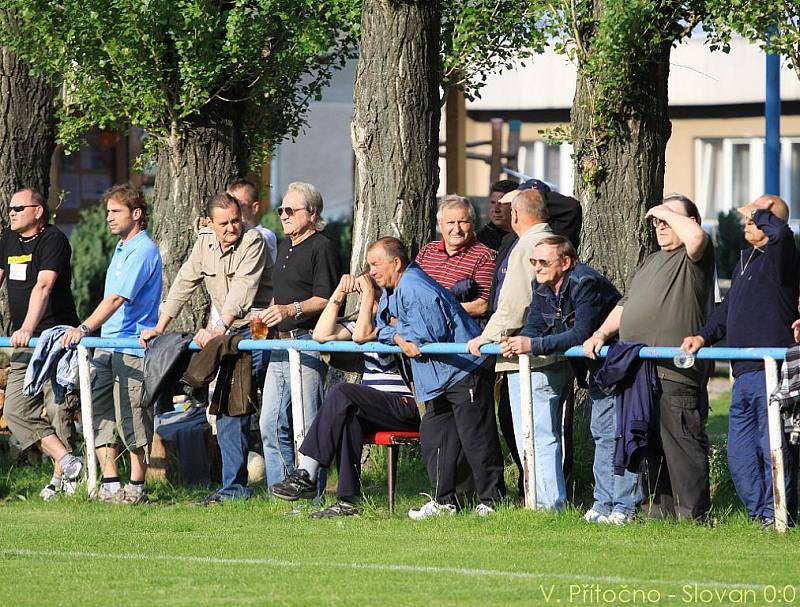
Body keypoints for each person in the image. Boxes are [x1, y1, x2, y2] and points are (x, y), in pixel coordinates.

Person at [584, 194, 715, 521]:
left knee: (682, 445)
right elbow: (625, 306)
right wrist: (601, 333)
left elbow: (697, 237)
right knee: (648, 445)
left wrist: (660, 208)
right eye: (657, 221)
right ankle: (659, 514)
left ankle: (693, 517)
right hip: (639, 372)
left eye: (669, 219)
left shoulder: (693, 256)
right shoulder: (650, 261)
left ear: (690, 222)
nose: (660, 224)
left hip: (675, 371)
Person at [140, 192, 271, 503]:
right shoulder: (205, 243)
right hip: (226, 337)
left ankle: (254, 485)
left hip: (256, 332)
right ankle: (233, 487)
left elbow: (242, 292)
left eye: (236, 220)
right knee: (226, 408)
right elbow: (184, 282)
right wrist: (159, 327)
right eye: (224, 223)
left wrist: (216, 329)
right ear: (210, 224)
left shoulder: (253, 242)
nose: (231, 227)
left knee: (248, 410)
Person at [501, 236, 640, 522]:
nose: (537, 268)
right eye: (533, 262)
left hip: (620, 364)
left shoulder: (584, 283)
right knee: (601, 433)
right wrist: (518, 340)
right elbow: (535, 326)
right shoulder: (540, 286)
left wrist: (533, 346)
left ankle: (623, 507)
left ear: (565, 263)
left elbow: (581, 334)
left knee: (618, 434)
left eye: (543, 262)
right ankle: (603, 504)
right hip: (596, 369)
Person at [682, 195, 800, 527]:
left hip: (771, 371)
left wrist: (762, 212)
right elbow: (727, 309)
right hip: (743, 373)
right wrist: (703, 336)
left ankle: (779, 514)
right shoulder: (746, 260)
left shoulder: (781, 256)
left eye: (755, 217)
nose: (747, 221)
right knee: (741, 454)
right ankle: (759, 513)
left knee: (772, 447)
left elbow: (784, 233)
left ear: (769, 221)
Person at [372, 237, 505, 518]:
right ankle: (444, 502)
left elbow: (423, 336)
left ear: (395, 263)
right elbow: (381, 326)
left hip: (463, 369)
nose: (372, 271)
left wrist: (398, 331)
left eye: (376, 264)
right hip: (436, 378)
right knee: (434, 434)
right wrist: (396, 334)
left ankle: (493, 501)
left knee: (476, 436)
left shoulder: (413, 286)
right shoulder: (393, 288)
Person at [270, 272, 420, 517]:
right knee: (348, 418)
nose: (363, 301)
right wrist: (339, 294)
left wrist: (371, 293)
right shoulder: (361, 321)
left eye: (367, 295)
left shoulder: (395, 322)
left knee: (343, 392)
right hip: (374, 405)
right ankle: (349, 500)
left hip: (405, 405)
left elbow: (362, 334)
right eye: (361, 295)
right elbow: (320, 335)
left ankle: (306, 472)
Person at [61, 184, 161, 504]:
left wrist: (85, 327)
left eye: (115, 212)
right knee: (101, 414)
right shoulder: (121, 249)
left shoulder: (143, 249)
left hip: (131, 347)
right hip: (107, 343)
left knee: (132, 417)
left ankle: (137, 488)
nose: (109, 218)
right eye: (107, 212)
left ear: (136, 214)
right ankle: (110, 484)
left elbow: (117, 298)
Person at [465, 188, 554, 501]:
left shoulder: (526, 245)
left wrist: (485, 338)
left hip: (527, 353)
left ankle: (542, 503)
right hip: (546, 348)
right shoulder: (551, 240)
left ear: (516, 215)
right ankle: (545, 500)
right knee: (546, 434)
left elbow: (513, 304)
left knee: (534, 433)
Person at [256, 182, 341, 495]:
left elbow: (328, 298)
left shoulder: (323, 246)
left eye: (291, 210)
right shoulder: (285, 245)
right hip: (279, 343)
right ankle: (281, 493)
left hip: (307, 342)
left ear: (313, 213)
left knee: (308, 423)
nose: (283, 215)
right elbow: (281, 295)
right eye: (281, 210)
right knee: (269, 422)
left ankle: (312, 492)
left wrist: (290, 308)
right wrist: (265, 314)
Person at [0, 187, 83, 499]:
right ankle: (67, 461)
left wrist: (27, 327)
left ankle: (63, 479)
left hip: (57, 335)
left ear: (37, 210)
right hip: (26, 339)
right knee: (16, 408)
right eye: (10, 208)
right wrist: (24, 332)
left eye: (19, 207)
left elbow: (44, 285)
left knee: (57, 407)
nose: (12, 212)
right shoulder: (7, 240)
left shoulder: (53, 240)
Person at [415, 195, 495, 322]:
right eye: (451, 223)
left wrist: (439, 311)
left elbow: (481, 305)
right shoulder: (427, 251)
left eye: (463, 222)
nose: (457, 229)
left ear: (473, 223)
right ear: (440, 225)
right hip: (420, 324)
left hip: (457, 331)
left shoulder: (484, 256)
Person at [227, 178, 277, 265]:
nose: (233, 211)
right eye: (228, 205)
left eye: (238, 205)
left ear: (254, 208)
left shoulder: (266, 235)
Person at [476, 179, 519, 251]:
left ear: (516, 205)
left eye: (501, 203)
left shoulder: (527, 234)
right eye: (492, 203)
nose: (496, 210)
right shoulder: (479, 240)